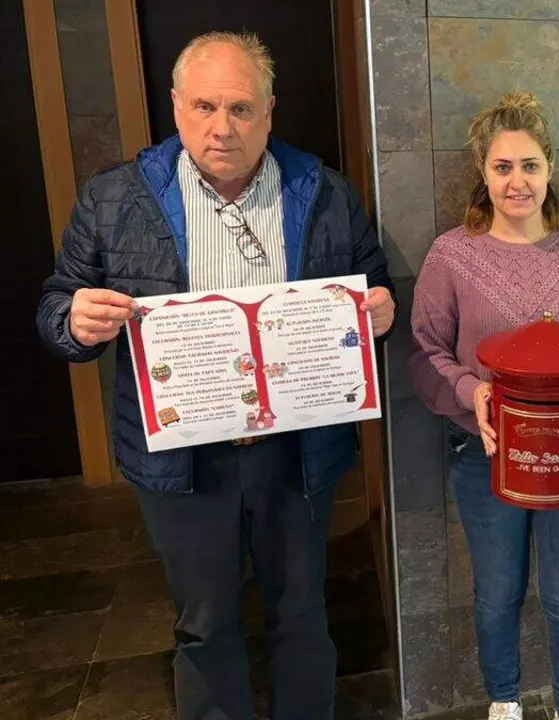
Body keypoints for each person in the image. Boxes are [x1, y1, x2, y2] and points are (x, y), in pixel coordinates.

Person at [35, 32, 395, 720]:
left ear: (269, 112)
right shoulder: (115, 199)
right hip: (182, 460)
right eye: (204, 106)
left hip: (296, 456)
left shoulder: (322, 192)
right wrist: (72, 323)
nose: (220, 127)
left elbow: (373, 287)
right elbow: (59, 304)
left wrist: (380, 312)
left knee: (302, 615)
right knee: (204, 626)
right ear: (176, 106)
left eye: (240, 108)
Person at [407, 92, 559, 720]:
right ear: (483, 172)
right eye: (503, 168)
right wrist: (473, 392)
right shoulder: (453, 255)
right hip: (485, 454)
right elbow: (424, 350)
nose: (517, 181)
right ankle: (503, 701)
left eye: (529, 166)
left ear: (550, 169)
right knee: (497, 592)